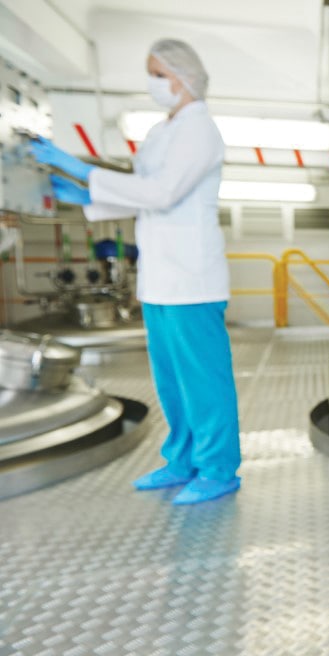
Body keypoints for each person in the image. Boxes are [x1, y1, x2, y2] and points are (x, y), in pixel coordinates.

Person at [32, 39, 241, 505]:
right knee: (170, 379)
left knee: (203, 380)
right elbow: (137, 191)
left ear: (183, 78)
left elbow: (162, 193)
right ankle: (182, 461)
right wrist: (72, 192)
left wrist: (78, 169)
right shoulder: (159, 132)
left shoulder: (200, 130)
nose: (151, 82)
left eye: (157, 73)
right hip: (159, 277)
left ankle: (219, 468)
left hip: (192, 278)